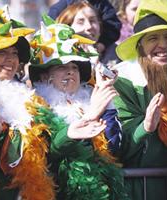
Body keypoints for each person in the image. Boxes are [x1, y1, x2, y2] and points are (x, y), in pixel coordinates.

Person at [0, 1, 109, 199]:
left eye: (14, 53)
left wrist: (71, 131)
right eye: (2, 52)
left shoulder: (29, 98)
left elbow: (48, 149)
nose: (10, 59)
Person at [28, 15, 127, 200]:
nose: (70, 71)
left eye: (74, 66)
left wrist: (106, 105)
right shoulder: (35, 107)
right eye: (61, 66)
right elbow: (45, 156)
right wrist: (90, 116)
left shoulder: (90, 100)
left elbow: (113, 149)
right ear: (43, 76)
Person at [112, 0, 167, 199]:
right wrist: (145, 127)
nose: (163, 45)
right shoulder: (124, 84)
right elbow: (117, 150)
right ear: (140, 47)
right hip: (136, 191)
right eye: (153, 38)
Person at [48, 0, 121, 57]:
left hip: (101, 50)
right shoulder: (58, 9)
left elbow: (113, 26)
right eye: (80, 22)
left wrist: (102, 44)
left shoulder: (102, 4)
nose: (88, 26)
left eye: (92, 21)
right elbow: (50, 33)